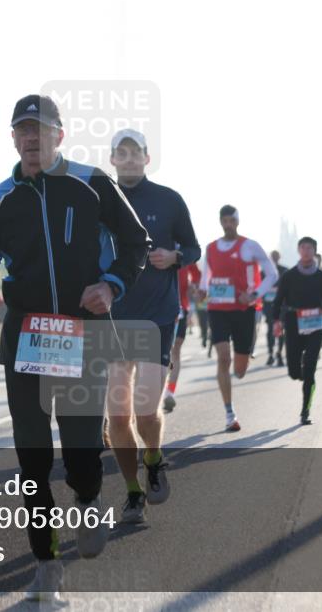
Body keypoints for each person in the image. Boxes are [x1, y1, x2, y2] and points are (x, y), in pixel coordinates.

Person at [0, 94, 149, 602]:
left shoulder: (91, 184)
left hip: (81, 332)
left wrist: (110, 285)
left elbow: (136, 245)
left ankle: (88, 499)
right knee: (32, 456)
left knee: (82, 450)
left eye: (40, 130)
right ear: (13, 138)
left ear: (59, 135)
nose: (31, 138)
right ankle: (46, 564)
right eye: (22, 130)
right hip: (25, 335)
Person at [104, 128, 200, 523]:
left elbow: (194, 248)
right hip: (111, 318)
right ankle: (131, 492)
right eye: (120, 153)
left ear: (146, 157)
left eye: (134, 153)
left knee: (146, 411)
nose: (127, 159)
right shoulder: (99, 200)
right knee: (118, 417)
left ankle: (154, 458)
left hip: (157, 317)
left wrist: (174, 256)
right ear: (112, 159)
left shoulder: (169, 200)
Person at [198, 205, 277, 432]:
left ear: (237, 221)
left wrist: (253, 295)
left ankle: (244, 359)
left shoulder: (250, 246)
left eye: (231, 220)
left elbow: (272, 274)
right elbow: (206, 277)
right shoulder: (211, 248)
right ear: (220, 222)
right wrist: (202, 291)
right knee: (223, 358)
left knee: (240, 370)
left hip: (244, 311)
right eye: (224, 220)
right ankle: (229, 413)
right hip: (217, 309)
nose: (227, 224)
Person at [272, 237, 322, 425]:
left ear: (314, 251)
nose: (306, 251)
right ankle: (299, 372)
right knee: (294, 371)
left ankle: (305, 410)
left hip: (315, 325)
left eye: (310, 248)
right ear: (299, 250)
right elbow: (278, 300)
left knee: (310, 369)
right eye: (303, 247)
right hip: (293, 323)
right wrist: (276, 321)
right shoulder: (289, 276)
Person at [164, 261, 202, 412]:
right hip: (156, 307)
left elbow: (197, 275)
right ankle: (156, 391)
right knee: (159, 353)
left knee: (175, 350)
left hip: (180, 307)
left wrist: (193, 285)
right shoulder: (153, 244)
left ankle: (170, 392)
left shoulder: (183, 249)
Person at [262, 249, 288, 367]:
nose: (275, 259)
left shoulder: (285, 271)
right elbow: (259, 288)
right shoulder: (264, 272)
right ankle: (271, 353)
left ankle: (279, 353)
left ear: (279, 257)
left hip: (282, 306)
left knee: (280, 329)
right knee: (270, 330)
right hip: (268, 306)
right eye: (273, 257)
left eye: (276, 257)